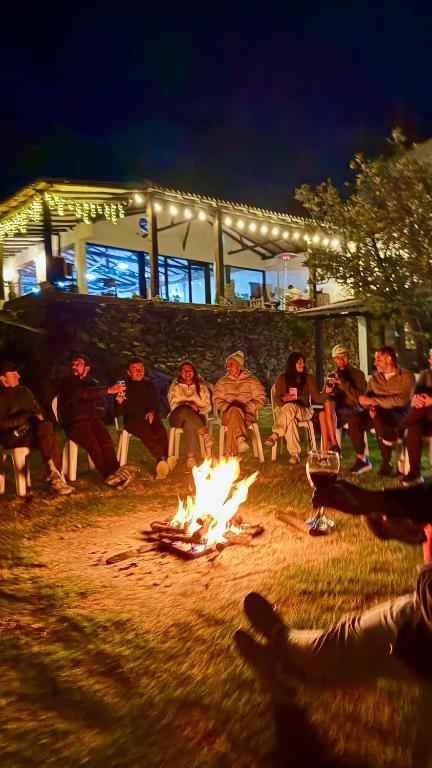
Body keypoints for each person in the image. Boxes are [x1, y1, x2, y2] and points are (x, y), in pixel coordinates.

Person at [57, 355, 133, 487]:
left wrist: (117, 400)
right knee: (93, 444)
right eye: (73, 363)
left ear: (86, 368)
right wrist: (107, 390)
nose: (74, 366)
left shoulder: (92, 383)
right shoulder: (67, 383)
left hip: (93, 420)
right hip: (75, 423)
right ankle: (109, 476)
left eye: (78, 364)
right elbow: (81, 393)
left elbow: (101, 404)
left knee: (106, 440)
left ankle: (116, 472)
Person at [0, 360, 73, 495]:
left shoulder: (24, 392)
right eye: (13, 373)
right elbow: (2, 424)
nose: (18, 376)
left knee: (47, 426)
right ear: (3, 378)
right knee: (48, 434)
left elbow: (37, 411)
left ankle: (54, 475)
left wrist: (40, 416)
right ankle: (56, 479)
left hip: (31, 432)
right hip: (12, 437)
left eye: (17, 373)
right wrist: (27, 416)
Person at [347, 346, 415, 476]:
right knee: (354, 419)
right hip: (376, 412)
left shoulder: (406, 376)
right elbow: (366, 397)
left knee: (379, 418)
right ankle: (362, 460)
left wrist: (373, 402)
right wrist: (368, 406)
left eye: (378, 359)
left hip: (398, 413)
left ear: (389, 359)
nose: (375, 362)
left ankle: (386, 461)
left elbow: (401, 400)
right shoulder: (375, 378)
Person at [114, 357, 175, 480]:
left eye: (141, 368)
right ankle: (162, 458)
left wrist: (152, 411)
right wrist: (119, 402)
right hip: (132, 421)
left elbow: (155, 403)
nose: (139, 371)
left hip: (148, 417)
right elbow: (117, 413)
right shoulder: (123, 386)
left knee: (160, 430)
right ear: (129, 372)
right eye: (135, 369)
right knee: (146, 432)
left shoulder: (148, 385)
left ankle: (164, 459)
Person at [265, 351, 326, 464]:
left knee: (290, 407)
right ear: (292, 364)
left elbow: (318, 398)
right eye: (299, 363)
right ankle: (294, 455)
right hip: (288, 412)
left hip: (304, 410)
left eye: (303, 362)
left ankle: (276, 433)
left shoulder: (308, 378)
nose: (303, 365)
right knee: (290, 419)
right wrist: (284, 398)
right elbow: (277, 400)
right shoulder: (282, 378)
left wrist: (327, 391)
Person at [214, 351, 266, 457]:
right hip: (228, 414)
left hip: (247, 415)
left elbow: (260, 399)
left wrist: (250, 406)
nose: (228, 368)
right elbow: (217, 400)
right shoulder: (222, 382)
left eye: (231, 365)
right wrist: (227, 407)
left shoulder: (252, 381)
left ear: (239, 365)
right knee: (234, 409)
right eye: (227, 365)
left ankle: (232, 455)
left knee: (234, 418)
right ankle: (240, 439)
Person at [318, 344, 366, 454]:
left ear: (347, 356)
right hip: (336, 412)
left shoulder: (358, 374)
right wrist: (327, 391)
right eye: (337, 358)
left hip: (353, 409)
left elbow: (359, 398)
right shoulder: (332, 375)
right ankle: (333, 445)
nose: (341, 360)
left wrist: (342, 383)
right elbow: (324, 398)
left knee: (323, 415)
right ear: (334, 360)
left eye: (343, 356)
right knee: (324, 410)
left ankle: (326, 453)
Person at [167, 360, 213, 469]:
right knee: (186, 410)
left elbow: (208, 407)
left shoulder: (201, 387)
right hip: (177, 417)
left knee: (189, 422)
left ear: (194, 372)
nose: (187, 372)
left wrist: (198, 409)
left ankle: (190, 459)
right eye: (184, 370)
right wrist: (187, 405)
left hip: (197, 416)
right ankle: (205, 434)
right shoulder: (176, 387)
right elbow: (173, 406)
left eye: (190, 370)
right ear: (180, 373)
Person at [396, 350, 432, 486]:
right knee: (414, 427)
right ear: (430, 360)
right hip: (426, 418)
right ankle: (415, 471)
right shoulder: (426, 374)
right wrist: (417, 398)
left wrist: (430, 401)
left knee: (423, 408)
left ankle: (398, 429)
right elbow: (417, 389)